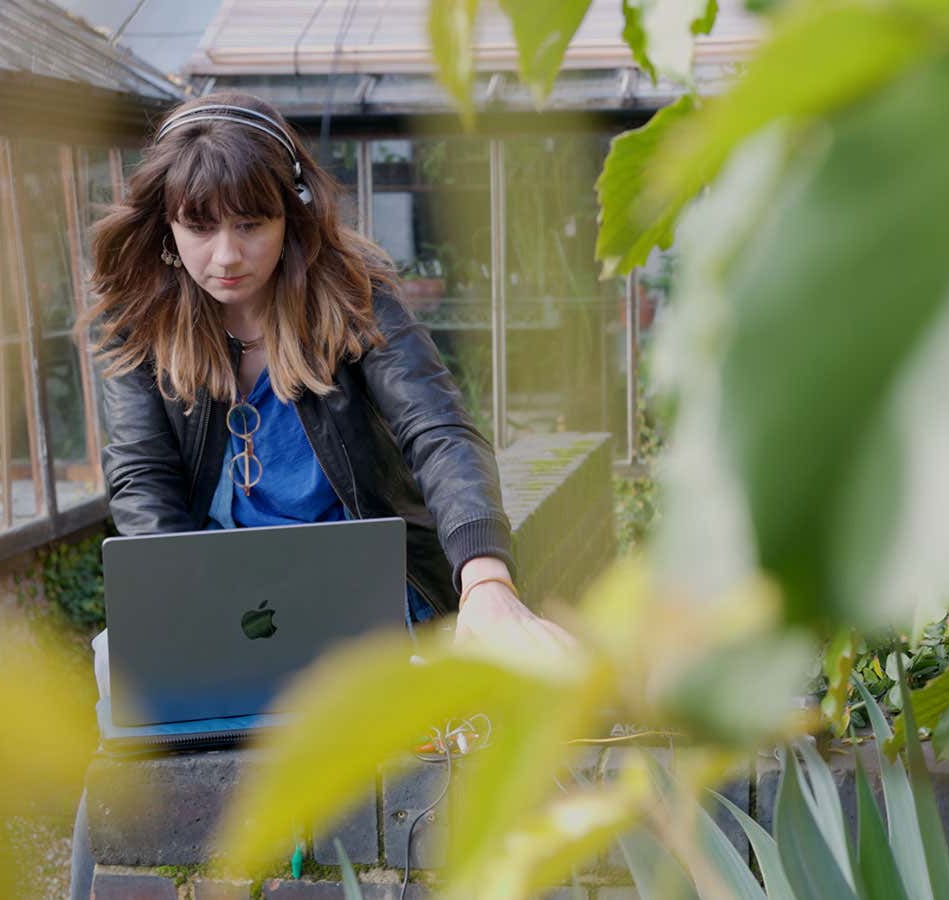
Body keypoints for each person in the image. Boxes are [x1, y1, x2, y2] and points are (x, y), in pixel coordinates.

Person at [67, 92, 572, 898]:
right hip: (216, 605)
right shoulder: (139, 327)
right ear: (164, 224)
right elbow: (143, 490)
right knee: (117, 770)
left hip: (372, 600)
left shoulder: (353, 296)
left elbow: (439, 433)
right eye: (200, 227)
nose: (225, 255)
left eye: (250, 224)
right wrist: (186, 627)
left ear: (292, 212)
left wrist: (486, 582)